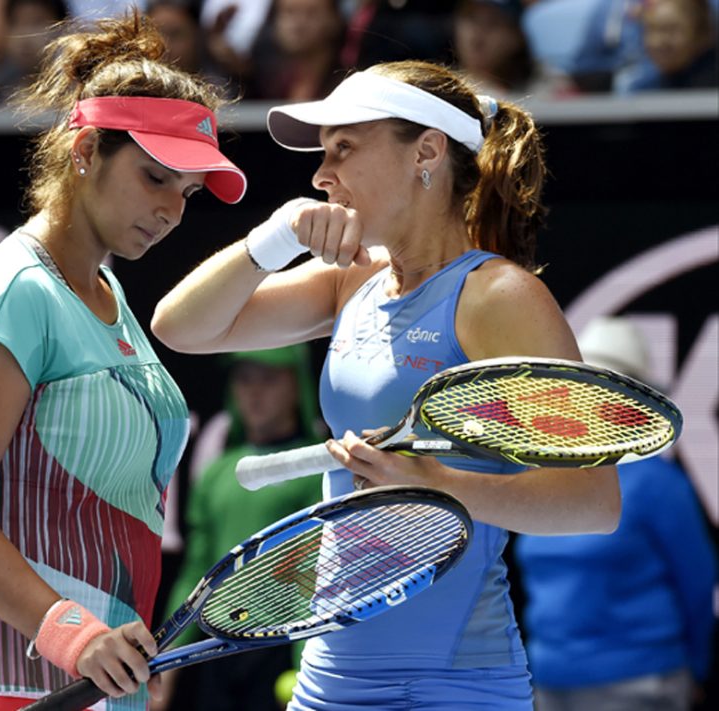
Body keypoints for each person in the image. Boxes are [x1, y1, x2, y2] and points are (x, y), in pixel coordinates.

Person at [150, 61, 622, 709]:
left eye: (343, 148)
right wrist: (273, 237)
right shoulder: (352, 281)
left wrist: (438, 486)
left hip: (451, 684)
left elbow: (594, 500)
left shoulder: (499, 297)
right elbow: (181, 327)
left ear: (425, 151)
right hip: (326, 676)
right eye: (322, 155)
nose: (321, 176)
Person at [0, 12, 246, 711]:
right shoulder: (11, 294)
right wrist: (74, 635)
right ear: (86, 148)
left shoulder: (105, 290)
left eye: (186, 193)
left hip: (94, 684)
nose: (172, 210)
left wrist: (102, 657)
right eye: (155, 177)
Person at [515, 316, 717, 711]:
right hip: (546, 684)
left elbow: (698, 583)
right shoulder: (542, 475)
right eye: (580, 393)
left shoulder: (658, 483)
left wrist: (696, 666)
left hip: (640, 683)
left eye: (604, 394)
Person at [156, 345, 324, 711]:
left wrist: (302, 666)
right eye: (245, 379)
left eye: (269, 378)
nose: (254, 391)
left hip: (282, 653)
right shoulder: (217, 473)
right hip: (218, 656)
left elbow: (314, 578)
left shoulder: (319, 468)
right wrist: (165, 665)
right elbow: (195, 576)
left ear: (297, 386)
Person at [452, 0, 575, 100]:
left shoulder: (548, 83)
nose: (476, 37)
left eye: (492, 23)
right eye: (470, 20)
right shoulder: (443, 90)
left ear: (519, 34)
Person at [0, 0, 68, 104]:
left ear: (63, 28)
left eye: (37, 23)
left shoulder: (79, 92)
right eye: (15, 23)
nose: (24, 36)